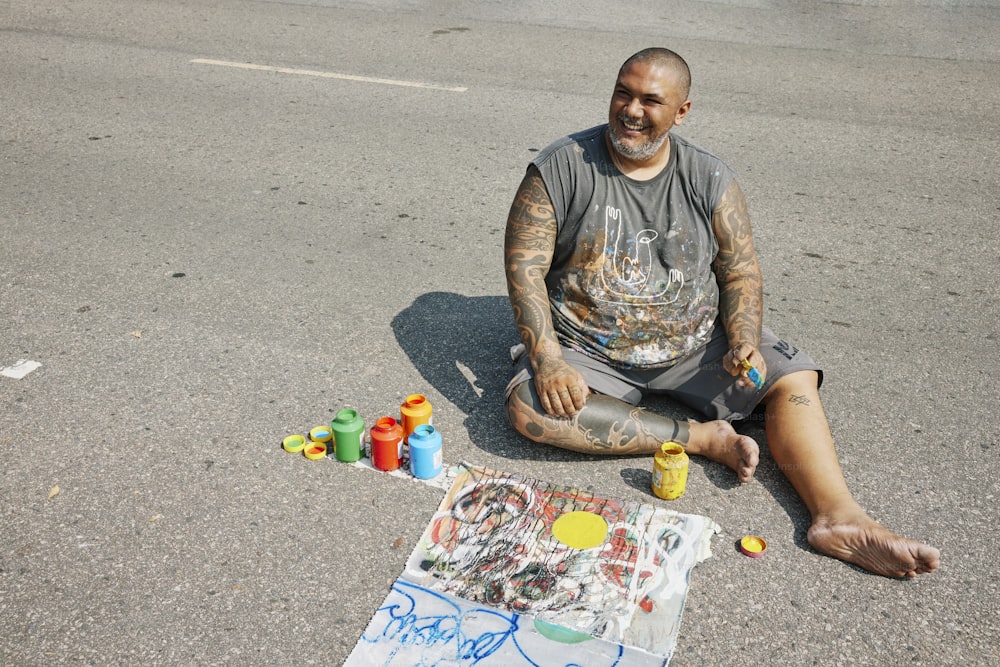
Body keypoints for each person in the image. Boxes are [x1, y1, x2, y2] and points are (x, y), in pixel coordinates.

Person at [502, 47, 939, 578]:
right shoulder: (561, 166)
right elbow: (525, 267)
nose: (631, 110)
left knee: (792, 378)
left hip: (694, 343)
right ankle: (701, 438)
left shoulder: (710, 178)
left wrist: (743, 338)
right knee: (530, 407)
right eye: (623, 92)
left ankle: (837, 518)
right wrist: (547, 357)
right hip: (589, 346)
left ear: (682, 111)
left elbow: (740, 272)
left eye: (650, 100)